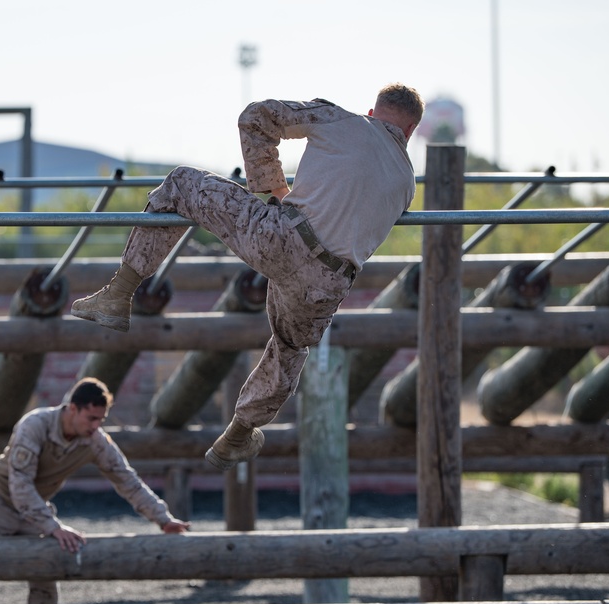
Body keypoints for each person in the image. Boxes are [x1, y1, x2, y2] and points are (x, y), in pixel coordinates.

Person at [72, 83, 424, 470]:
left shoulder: (340, 119)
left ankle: (118, 295)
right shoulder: (407, 183)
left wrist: (274, 190)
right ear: (410, 132)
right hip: (326, 282)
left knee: (181, 184)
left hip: (280, 238)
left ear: (372, 113)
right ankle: (238, 434)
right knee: (289, 350)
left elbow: (255, 117)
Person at [0, 377, 190, 604]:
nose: (96, 426)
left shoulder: (95, 440)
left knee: (46, 571)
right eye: (91, 418)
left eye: (101, 420)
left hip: (35, 508)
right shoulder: (34, 425)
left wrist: (163, 519)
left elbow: (128, 481)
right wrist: (53, 527)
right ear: (72, 409)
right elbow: (20, 485)